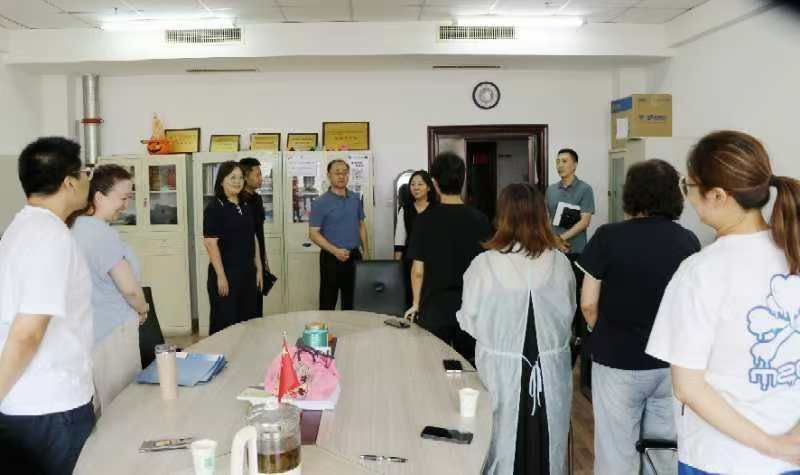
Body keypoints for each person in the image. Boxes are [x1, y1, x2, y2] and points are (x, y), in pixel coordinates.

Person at [646, 131, 800, 474]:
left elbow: (688, 388)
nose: (688, 196)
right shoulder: (793, 252)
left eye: (689, 186)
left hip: (720, 459)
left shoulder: (701, 272)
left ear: (717, 195)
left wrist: (773, 446)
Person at [577, 159, 700, 474]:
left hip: (617, 359)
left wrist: (604, 331)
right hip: (668, 363)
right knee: (662, 449)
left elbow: (588, 303)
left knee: (616, 449)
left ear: (630, 194)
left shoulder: (608, 236)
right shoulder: (687, 241)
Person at [457, 183, 575, 474]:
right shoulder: (560, 262)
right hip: (549, 369)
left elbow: (469, 319)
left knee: (503, 442)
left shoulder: (484, 264)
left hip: (502, 368)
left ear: (503, 216)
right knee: (548, 444)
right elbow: (569, 313)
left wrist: (498, 335)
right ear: (542, 215)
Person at [0, 137, 95, 474]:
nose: (88, 180)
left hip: (29, 403)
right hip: (51, 408)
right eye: (85, 172)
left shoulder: (21, 227)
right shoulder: (49, 237)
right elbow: (28, 332)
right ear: (69, 182)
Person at [72, 165, 149, 415]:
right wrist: (142, 309)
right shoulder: (100, 234)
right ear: (99, 196)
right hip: (114, 331)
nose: (125, 205)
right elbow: (130, 290)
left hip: (90, 331)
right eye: (123, 198)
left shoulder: (75, 228)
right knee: (122, 406)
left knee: (100, 405)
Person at [405, 152, 491, 361]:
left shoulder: (424, 220)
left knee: (433, 362)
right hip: (470, 305)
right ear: (463, 180)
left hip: (434, 306)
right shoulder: (480, 219)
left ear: (434, 183)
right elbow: (487, 266)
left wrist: (415, 304)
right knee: (469, 363)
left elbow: (418, 270)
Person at [545, 148, 596, 386]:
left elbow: (585, 221)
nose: (560, 165)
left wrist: (562, 238)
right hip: (555, 252)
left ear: (574, 165)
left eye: (564, 161)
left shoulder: (584, 189)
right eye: (558, 161)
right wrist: (553, 240)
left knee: (575, 298)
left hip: (575, 251)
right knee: (556, 298)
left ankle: (576, 346)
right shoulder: (551, 190)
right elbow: (547, 219)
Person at [204, 161, 263, 334]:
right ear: (222, 181)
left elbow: (253, 237)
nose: (237, 182)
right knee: (226, 324)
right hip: (227, 274)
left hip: (248, 273)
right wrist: (221, 276)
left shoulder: (245, 204)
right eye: (232, 178)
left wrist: (259, 268)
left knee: (249, 323)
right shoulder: (215, 207)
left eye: (240, 178)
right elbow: (210, 243)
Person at [309, 159, 369, 310]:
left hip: (354, 256)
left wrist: (366, 252)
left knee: (352, 302)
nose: (341, 176)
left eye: (345, 173)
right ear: (329, 175)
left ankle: (350, 326)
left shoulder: (355, 198)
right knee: (328, 302)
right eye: (337, 173)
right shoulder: (320, 202)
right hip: (331, 258)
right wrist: (335, 251)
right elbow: (313, 234)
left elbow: (361, 225)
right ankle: (325, 326)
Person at [394, 170, 438, 305]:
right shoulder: (405, 209)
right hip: (410, 260)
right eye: (412, 184)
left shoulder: (438, 209)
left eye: (420, 184)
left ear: (429, 187)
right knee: (411, 297)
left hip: (433, 260)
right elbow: (400, 241)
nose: (416, 187)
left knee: (431, 299)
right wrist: (397, 266)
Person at [240, 157, 271, 317]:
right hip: (244, 261)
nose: (261, 178)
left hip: (259, 258)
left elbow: (259, 232)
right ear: (245, 177)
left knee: (258, 305)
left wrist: (264, 260)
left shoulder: (257, 199)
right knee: (246, 308)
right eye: (257, 174)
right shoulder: (238, 201)